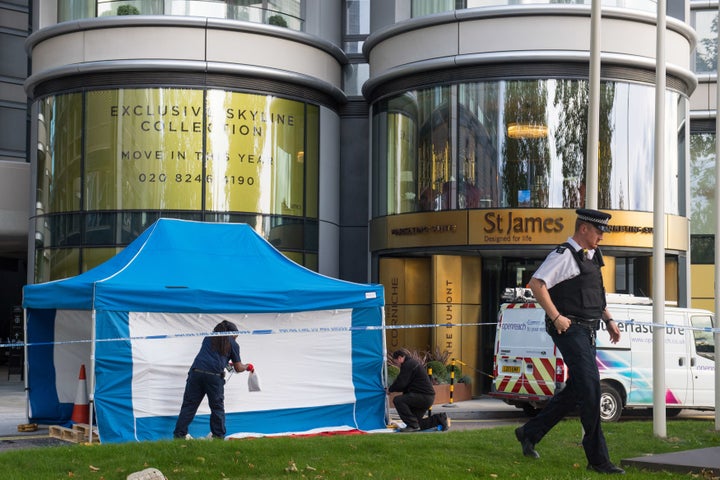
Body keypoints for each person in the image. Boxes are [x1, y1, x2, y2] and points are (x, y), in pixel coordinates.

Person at [514, 208, 625, 475]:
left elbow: (596, 293)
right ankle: (598, 459)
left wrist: (609, 319)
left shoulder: (592, 255)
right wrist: (556, 317)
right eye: (598, 232)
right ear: (584, 228)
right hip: (569, 328)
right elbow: (536, 284)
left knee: (577, 389)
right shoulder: (563, 255)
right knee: (591, 390)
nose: (602, 237)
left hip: (588, 329)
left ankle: (529, 432)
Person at [173, 320, 254, 440]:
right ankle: (218, 436)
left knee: (189, 405)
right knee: (217, 407)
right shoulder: (233, 344)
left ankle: (179, 435)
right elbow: (238, 367)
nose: (235, 339)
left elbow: (213, 357)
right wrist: (247, 366)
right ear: (231, 333)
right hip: (214, 377)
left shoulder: (208, 338)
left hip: (196, 373)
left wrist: (227, 363)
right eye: (235, 336)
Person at [387, 349, 450, 432]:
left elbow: (401, 383)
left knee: (398, 400)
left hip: (423, 396)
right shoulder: (412, 364)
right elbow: (404, 383)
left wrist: (390, 389)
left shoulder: (408, 365)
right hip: (427, 397)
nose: (397, 365)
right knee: (417, 423)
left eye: (396, 363)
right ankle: (440, 419)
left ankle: (413, 426)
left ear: (400, 358)